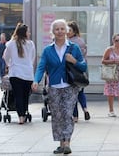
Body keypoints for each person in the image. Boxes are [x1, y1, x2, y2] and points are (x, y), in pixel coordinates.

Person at [32, 19, 87, 154]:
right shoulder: (48, 50)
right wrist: (35, 80)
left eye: (62, 29)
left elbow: (83, 66)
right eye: (57, 29)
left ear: (67, 31)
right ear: (53, 32)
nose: (60, 31)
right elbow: (41, 67)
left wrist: (74, 61)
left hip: (70, 86)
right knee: (57, 115)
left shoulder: (73, 48)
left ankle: (67, 142)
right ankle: (61, 143)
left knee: (67, 113)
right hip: (54, 86)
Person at [3, 24, 35, 124]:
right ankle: (24, 112)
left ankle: (21, 116)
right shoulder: (30, 44)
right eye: (28, 31)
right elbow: (32, 58)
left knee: (18, 95)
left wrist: (9, 65)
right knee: (26, 96)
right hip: (28, 74)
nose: (29, 33)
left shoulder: (10, 44)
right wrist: (28, 65)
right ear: (24, 33)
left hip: (15, 73)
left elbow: (5, 57)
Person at [67, 21, 90, 122]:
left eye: (69, 30)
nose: (67, 32)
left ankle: (75, 116)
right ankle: (85, 109)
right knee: (80, 91)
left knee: (72, 94)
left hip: (72, 71)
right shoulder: (81, 41)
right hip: (82, 70)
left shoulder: (71, 43)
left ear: (74, 31)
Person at [102, 34, 119, 118]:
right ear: (113, 41)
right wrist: (113, 61)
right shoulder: (109, 49)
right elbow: (103, 60)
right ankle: (111, 110)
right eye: (117, 40)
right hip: (111, 74)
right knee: (110, 92)